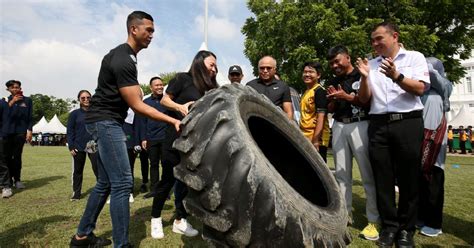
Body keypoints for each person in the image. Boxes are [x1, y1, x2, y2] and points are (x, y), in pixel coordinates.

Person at [70, 11, 181, 247]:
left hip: (105, 121)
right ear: (134, 29)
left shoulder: (127, 56)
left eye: (153, 30)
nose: (152, 34)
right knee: (122, 183)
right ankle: (122, 244)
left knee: (106, 183)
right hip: (106, 122)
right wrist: (172, 120)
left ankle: (82, 236)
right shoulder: (123, 59)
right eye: (148, 30)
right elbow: (137, 106)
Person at [357, 21, 430, 248]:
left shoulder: (415, 58)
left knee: (409, 178)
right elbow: (363, 99)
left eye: (379, 38)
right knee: (383, 178)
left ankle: (406, 230)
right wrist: (363, 77)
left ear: (394, 36)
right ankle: (389, 227)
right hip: (379, 124)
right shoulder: (371, 64)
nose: (375, 43)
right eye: (373, 40)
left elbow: (420, 88)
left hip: (407, 122)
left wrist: (396, 76)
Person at [150, 50, 218, 239]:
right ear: (199, 63)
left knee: (187, 183)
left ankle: (180, 220)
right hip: (175, 139)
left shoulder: (211, 86)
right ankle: (155, 219)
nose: (214, 68)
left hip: (196, 143)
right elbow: (164, 100)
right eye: (211, 64)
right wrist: (179, 107)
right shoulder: (182, 78)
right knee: (168, 180)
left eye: (215, 66)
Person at [326, 45, 380, 240]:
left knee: (368, 175)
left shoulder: (362, 74)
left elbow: (367, 101)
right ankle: (345, 214)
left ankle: (373, 219)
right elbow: (331, 107)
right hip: (339, 125)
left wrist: (345, 97)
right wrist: (332, 100)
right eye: (331, 63)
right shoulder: (332, 80)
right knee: (341, 175)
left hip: (361, 124)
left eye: (337, 61)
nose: (334, 65)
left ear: (347, 58)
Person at [418, 57, 452, 237]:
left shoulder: (439, 93)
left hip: (434, 146)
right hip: (420, 145)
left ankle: (434, 222)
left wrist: (429, 70)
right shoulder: (421, 92)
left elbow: (443, 84)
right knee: (421, 181)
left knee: (434, 182)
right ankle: (422, 216)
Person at [67, 90, 99, 201]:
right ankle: (76, 193)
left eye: (88, 97)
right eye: (83, 98)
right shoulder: (74, 114)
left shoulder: (96, 112)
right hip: (78, 146)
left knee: (97, 168)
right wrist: (71, 146)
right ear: (79, 99)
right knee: (78, 171)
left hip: (93, 145)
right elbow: (70, 131)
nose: (86, 100)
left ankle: (102, 191)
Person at [3, 79, 33, 189]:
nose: (15, 89)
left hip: (20, 132)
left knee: (17, 157)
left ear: (20, 88)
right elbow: (3, 115)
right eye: (13, 87)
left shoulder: (28, 100)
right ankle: (8, 180)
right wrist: (12, 102)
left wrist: (29, 130)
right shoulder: (5, 100)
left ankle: (17, 180)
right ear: (8, 89)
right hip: (7, 132)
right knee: (6, 157)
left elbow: (30, 117)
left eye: (17, 87)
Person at [299, 61, 330, 162]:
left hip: (316, 140)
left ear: (318, 75)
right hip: (305, 137)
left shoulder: (319, 91)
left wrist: (316, 140)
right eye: (305, 72)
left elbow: (321, 117)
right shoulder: (306, 92)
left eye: (311, 72)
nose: (307, 74)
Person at [142, 76, 167, 199]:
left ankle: (164, 191)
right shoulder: (146, 102)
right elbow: (142, 121)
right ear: (151, 88)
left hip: (166, 137)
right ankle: (154, 190)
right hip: (151, 138)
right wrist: (143, 138)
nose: (160, 87)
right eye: (156, 85)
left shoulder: (168, 101)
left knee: (166, 164)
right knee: (154, 165)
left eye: (161, 84)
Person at [1, 98, 13, 198]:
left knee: (1, 162)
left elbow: (7, 121)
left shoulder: (3, 104)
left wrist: (2, 135)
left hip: (1, 136)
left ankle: (6, 186)